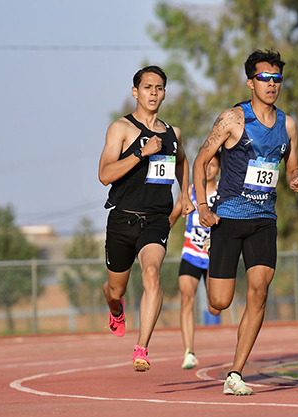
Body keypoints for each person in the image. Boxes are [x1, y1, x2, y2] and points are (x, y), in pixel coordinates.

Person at [193, 49, 298, 395]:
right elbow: (200, 162)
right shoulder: (232, 119)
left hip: (264, 219)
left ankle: (235, 373)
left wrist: (296, 180)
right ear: (250, 82)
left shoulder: (288, 125)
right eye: (264, 79)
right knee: (219, 302)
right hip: (228, 216)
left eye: (277, 79)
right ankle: (215, 258)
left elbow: (292, 169)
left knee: (259, 292)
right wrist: (201, 205)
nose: (272, 85)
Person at [98, 65, 194, 372]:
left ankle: (142, 348)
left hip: (156, 219)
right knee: (117, 290)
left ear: (165, 93)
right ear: (135, 92)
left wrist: (186, 194)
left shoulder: (173, 133)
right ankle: (115, 307)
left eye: (159, 88)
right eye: (148, 87)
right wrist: (141, 153)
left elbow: (182, 161)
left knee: (152, 272)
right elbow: (104, 175)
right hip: (122, 220)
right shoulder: (121, 129)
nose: (154, 93)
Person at [169, 151, 221, 370]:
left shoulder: (222, 193)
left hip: (213, 254)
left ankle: (216, 299)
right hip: (191, 252)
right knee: (186, 298)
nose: (208, 168)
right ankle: (189, 351)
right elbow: (172, 217)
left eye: (213, 165)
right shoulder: (189, 192)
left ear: (219, 169)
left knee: (215, 307)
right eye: (206, 164)